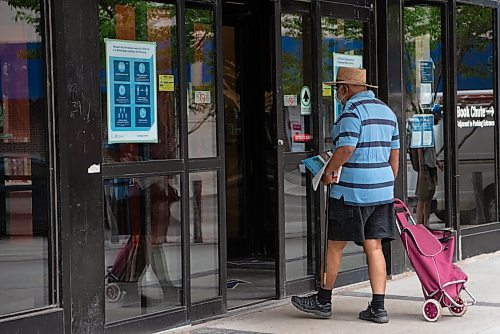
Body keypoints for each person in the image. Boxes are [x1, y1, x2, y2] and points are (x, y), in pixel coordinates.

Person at [291, 67, 400, 324]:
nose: (337, 93)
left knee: (334, 246)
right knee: (374, 247)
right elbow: (394, 155)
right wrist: (385, 182)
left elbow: (347, 148)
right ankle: (378, 307)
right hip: (381, 192)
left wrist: (328, 171)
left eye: (338, 88)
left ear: (346, 89)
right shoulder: (387, 112)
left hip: (351, 192)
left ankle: (323, 300)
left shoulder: (352, 112)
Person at [416, 107, 444, 226]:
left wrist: (437, 162)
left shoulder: (430, 131)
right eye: (438, 116)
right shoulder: (425, 131)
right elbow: (420, 150)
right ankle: (420, 224)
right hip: (426, 168)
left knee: (428, 198)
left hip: (431, 167)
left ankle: (425, 223)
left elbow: (430, 152)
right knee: (422, 199)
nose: (439, 119)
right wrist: (422, 169)